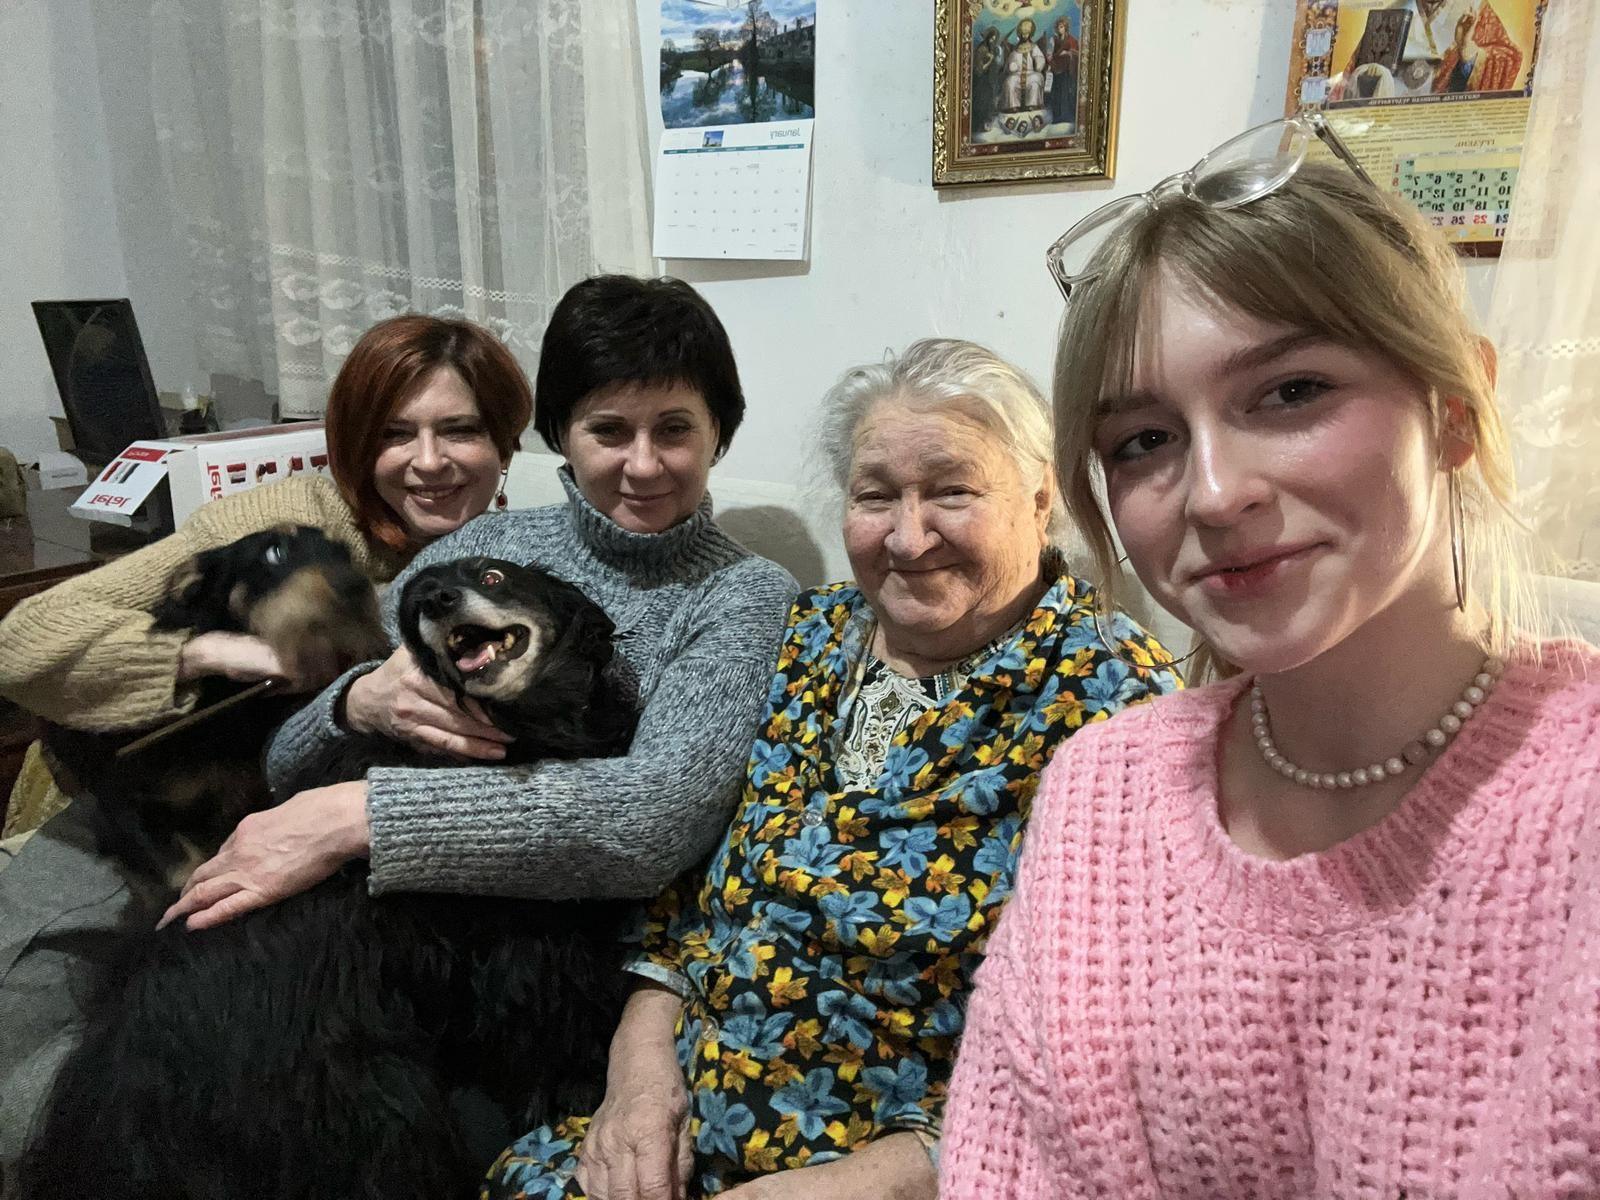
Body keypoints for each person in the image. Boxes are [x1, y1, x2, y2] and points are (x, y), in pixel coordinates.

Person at [943, 118, 1600, 1197]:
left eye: (1290, 393)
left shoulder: (1569, 808)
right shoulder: (1099, 797)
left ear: (1453, 411)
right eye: (1143, 442)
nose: (1213, 493)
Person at [485, 338, 1182, 1199]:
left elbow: (1107, 1062)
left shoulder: (1114, 698)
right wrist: (635, 1085)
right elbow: (680, 905)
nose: (908, 534)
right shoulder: (807, 635)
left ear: (1041, 498)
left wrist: (859, 1186)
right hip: (676, 1139)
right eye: (875, 495)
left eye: (952, 491)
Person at [0, 313, 531, 1168]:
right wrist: (229, 653)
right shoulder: (281, 520)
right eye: (396, 434)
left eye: (459, 430)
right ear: (357, 441)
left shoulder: (514, 565)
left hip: (285, 880)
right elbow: (25, 641)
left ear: (505, 440)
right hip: (138, 830)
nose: (429, 461)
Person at [159, 275, 798, 930]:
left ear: (717, 433)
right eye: (608, 431)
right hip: (378, 916)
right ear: (561, 435)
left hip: (553, 944)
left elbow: (650, 822)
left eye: (674, 430)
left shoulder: (741, 594)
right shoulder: (484, 544)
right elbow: (285, 763)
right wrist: (354, 703)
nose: (643, 464)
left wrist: (361, 817)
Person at [1001, 20, 1046, 112]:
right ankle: (1013, 106)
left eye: (1027, 34)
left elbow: (1040, 58)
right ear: (1020, 34)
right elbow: (1011, 60)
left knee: (1035, 79)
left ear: (1030, 34)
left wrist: (1039, 62)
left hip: (1031, 72)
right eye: (1023, 34)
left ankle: (1032, 105)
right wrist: (1012, 65)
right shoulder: (1016, 48)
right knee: (1010, 81)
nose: (1024, 36)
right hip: (1017, 73)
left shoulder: (1034, 47)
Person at [1046, 14, 1078, 127]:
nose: (1060, 29)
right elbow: (1049, 54)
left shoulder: (1071, 40)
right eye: (1058, 27)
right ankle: (1057, 117)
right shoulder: (1053, 39)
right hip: (1056, 68)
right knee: (1057, 92)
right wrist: (1053, 61)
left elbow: (1077, 53)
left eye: (1062, 27)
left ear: (1066, 27)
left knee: (1066, 92)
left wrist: (1068, 54)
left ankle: (1067, 116)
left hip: (1067, 70)